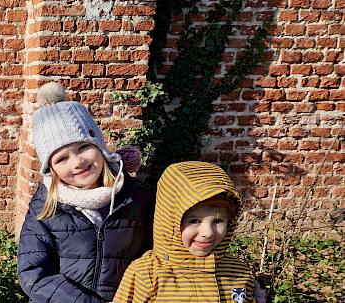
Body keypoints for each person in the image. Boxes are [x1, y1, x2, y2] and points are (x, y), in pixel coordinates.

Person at [17, 82, 154, 303]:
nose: (78, 162)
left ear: (99, 145)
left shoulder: (135, 198)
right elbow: (34, 274)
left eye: (83, 147)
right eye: (62, 158)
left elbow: (152, 259)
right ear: (51, 169)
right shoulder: (44, 207)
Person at [113, 161, 262, 303]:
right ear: (169, 221)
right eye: (194, 221)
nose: (208, 232)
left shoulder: (238, 272)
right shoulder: (147, 273)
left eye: (218, 221)